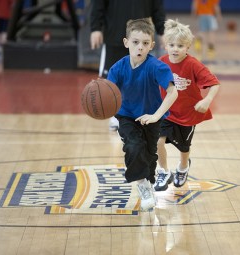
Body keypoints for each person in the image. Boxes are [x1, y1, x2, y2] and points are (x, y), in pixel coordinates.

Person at [107, 18, 178, 210]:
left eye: (145, 43)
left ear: (152, 46)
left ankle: (148, 183)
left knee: (149, 156)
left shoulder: (157, 67)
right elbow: (107, 93)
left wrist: (156, 116)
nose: (140, 47)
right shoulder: (118, 68)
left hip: (151, 117)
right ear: (126, 43)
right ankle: (142, 186)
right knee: (133, 146)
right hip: (127, 116)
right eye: (135, 42)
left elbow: (173, 92)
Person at [153, 19, 220, 191]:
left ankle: (183, 167)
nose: (175, 49)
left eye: (180, 46)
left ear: (188, 47)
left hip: (187, 115)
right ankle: (164, 171)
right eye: (172, 45)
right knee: (158, 140)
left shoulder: (193, 64)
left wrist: (206, 100)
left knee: (184, 148)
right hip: (167, 112)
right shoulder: (161, 62)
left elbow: (215, 83)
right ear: (165, 45)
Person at [89, 0, 166, 131]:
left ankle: (138, 114)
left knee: (141, 78)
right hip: (114, 35)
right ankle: (116, 114)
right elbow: (98, 4)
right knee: (113, 80)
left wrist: (162, 30)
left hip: (141, 38)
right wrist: (96, 28)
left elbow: (157, 6)